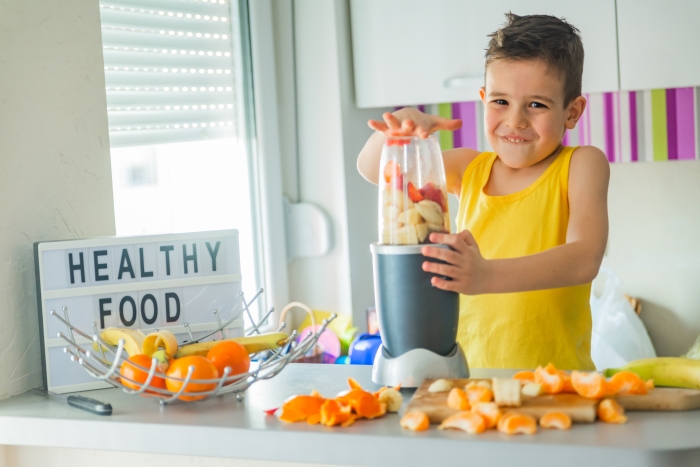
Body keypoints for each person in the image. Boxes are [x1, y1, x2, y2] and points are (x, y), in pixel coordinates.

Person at [357, 13, 609, 370]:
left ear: (573, 111)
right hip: (469, 380)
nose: (515, 121)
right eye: (500, 101)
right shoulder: (468, 169)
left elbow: (585, 259)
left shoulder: (582, 165)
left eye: (536, 104)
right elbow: (372, 169)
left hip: (557, 385)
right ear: (483, 98)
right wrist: (405, 122)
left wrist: (485, 276)